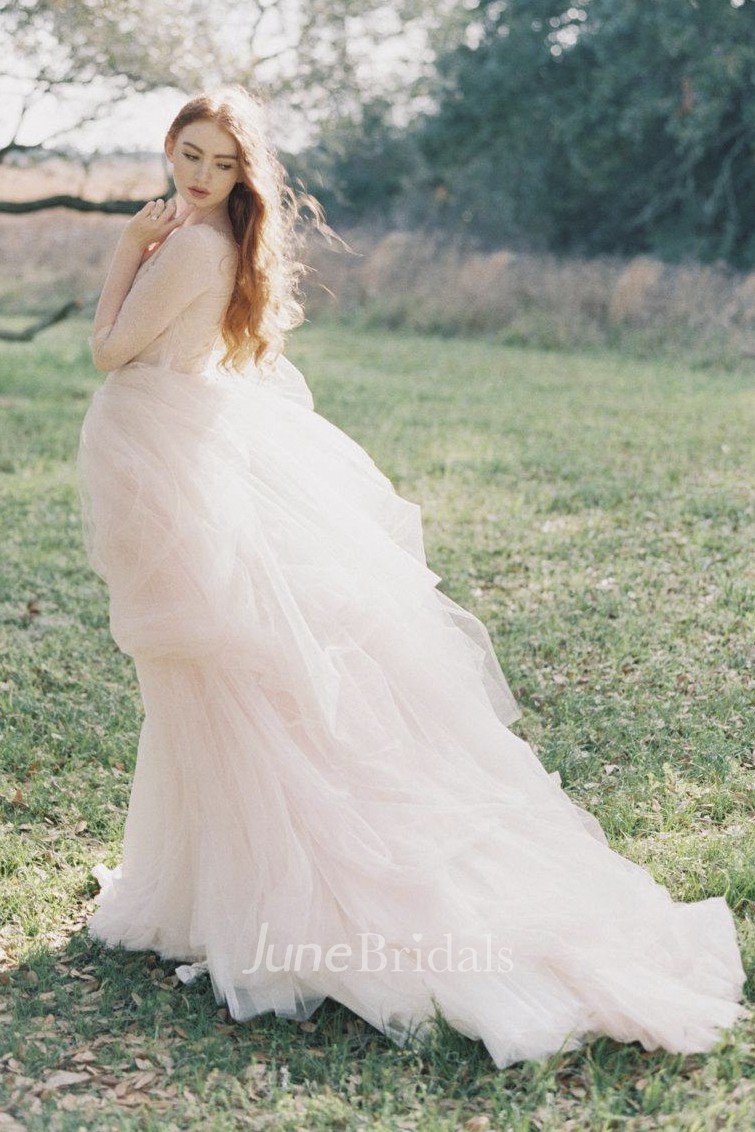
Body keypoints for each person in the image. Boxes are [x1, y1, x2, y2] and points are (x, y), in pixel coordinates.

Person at [78, 86, 747, 1070]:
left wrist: (124, 248)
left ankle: (257, 891)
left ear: (242, 171)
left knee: (217, 671)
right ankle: (199, 885)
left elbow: (107, 351)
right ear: (169, 146)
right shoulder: (219, 241)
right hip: (182, 461)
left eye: (221, 162)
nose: (202, 175)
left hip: (175, 465)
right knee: (204, 674)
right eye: (192, 154)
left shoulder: (184, 246)